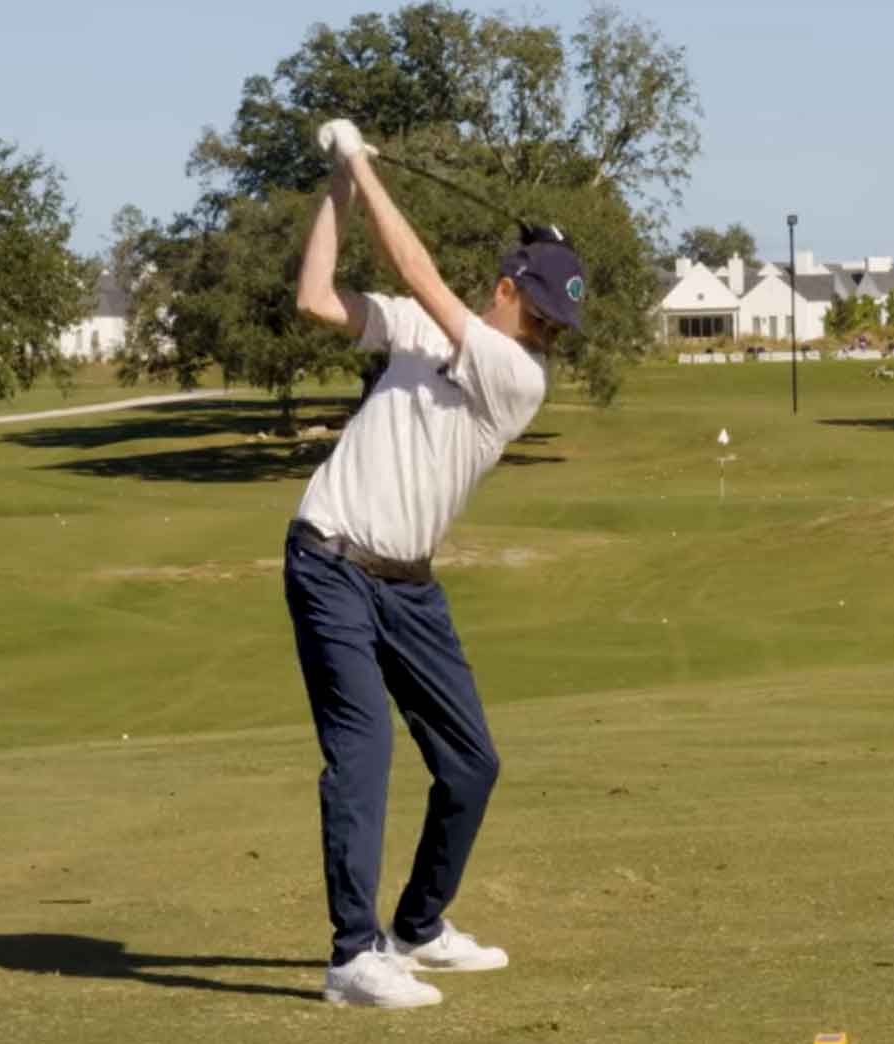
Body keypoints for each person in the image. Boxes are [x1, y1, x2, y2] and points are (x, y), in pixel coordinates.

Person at [285, 118, 586, 1008]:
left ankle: (418, 926)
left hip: (410, 585)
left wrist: (365, 165)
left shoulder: (516, 374)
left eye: (556, 327)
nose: (547, 336)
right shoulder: (424, 330)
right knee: (365, 752)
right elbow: (315, 297)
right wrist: (341, 182)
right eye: (542, 316)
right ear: (506, 290)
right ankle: (352, 957)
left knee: (470, 762)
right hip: (330, 559)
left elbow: (416, 268)